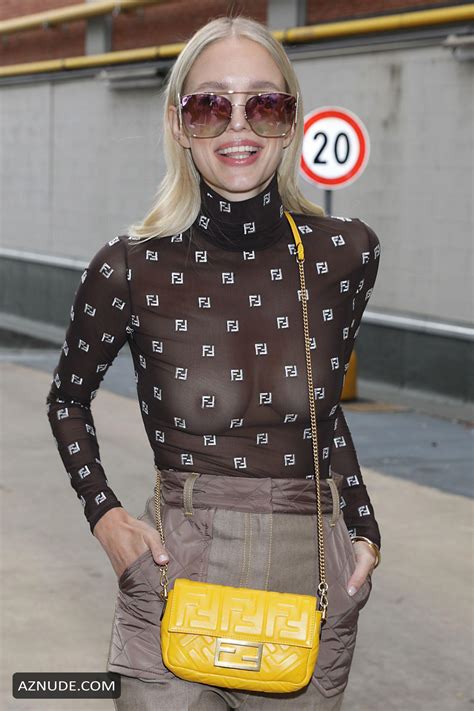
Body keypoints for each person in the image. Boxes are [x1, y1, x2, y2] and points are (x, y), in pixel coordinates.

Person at [45, 14, 381, 711]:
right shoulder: (130, 266)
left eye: (263, 102)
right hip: (175, 565)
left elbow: (324, 414)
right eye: (209, 104)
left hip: (308, 571)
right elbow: (66, 398)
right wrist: (105, 516)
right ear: (178, 123)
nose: (238, 127)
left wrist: (365, 532)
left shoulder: (344, 254)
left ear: (289, 120)